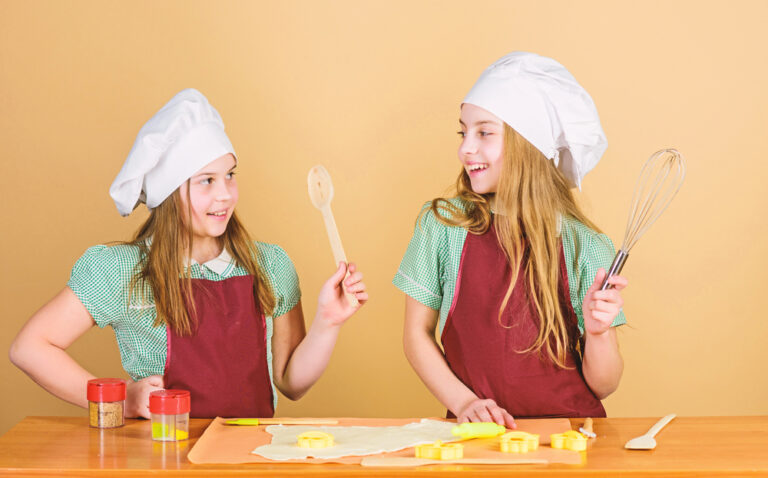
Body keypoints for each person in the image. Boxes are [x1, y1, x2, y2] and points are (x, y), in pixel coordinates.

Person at [10, 88, 368, 418]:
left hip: (249, 458)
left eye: (230, 175)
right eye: (206, 181)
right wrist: (125, 399)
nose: (225, 194)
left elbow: (291, 382)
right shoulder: (120, 271)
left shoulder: (270, 265)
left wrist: (327, 322)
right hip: (162, 459)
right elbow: (30, 348)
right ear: (168, 194)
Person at [394, 52, 627, 427]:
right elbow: (415, 336)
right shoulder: (442, 225)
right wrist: (465, 403)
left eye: (484, 132)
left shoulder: (584, 244)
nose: (465, 148)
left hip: (569, 435)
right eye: (463, 131)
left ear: (529, 144)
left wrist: (598, 333)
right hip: (477, 435)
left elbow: (604, 385)